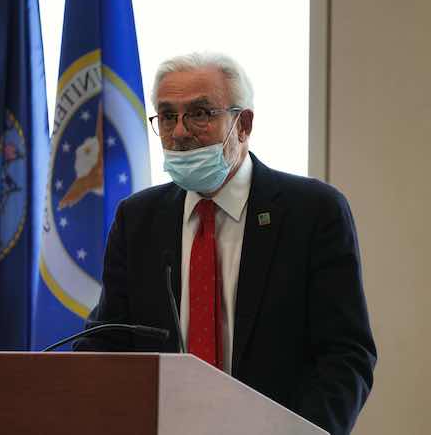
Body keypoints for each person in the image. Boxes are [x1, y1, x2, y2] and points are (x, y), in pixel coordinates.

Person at [74, 52, 377, 435]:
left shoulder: (313, 212)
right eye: (167, 116)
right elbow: (108, 344)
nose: (180, 132)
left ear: (243, 124)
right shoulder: (138, 219)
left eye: (199, 113)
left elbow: (346, 355)